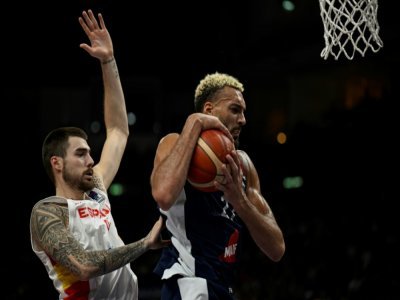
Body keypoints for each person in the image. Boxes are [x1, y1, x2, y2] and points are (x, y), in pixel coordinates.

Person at [30, 9, 169, 299]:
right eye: (80, 154)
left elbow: (118, 130)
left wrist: (108, 60)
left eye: (90, 153)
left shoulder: (96, 189)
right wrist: (144, 244)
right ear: (57, 163)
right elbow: (82, 266)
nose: (91, 160)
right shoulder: (47, 212)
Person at [150, 72, 286, 299]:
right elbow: (163, 194)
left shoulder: (243, 163)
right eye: (235, 110)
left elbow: (276, 249)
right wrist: (194, 122)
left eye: (243, 112)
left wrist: (240, 201)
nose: (243, 120)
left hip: (223, 285)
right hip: (188, 283)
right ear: (209, 110)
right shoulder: (175, 143)